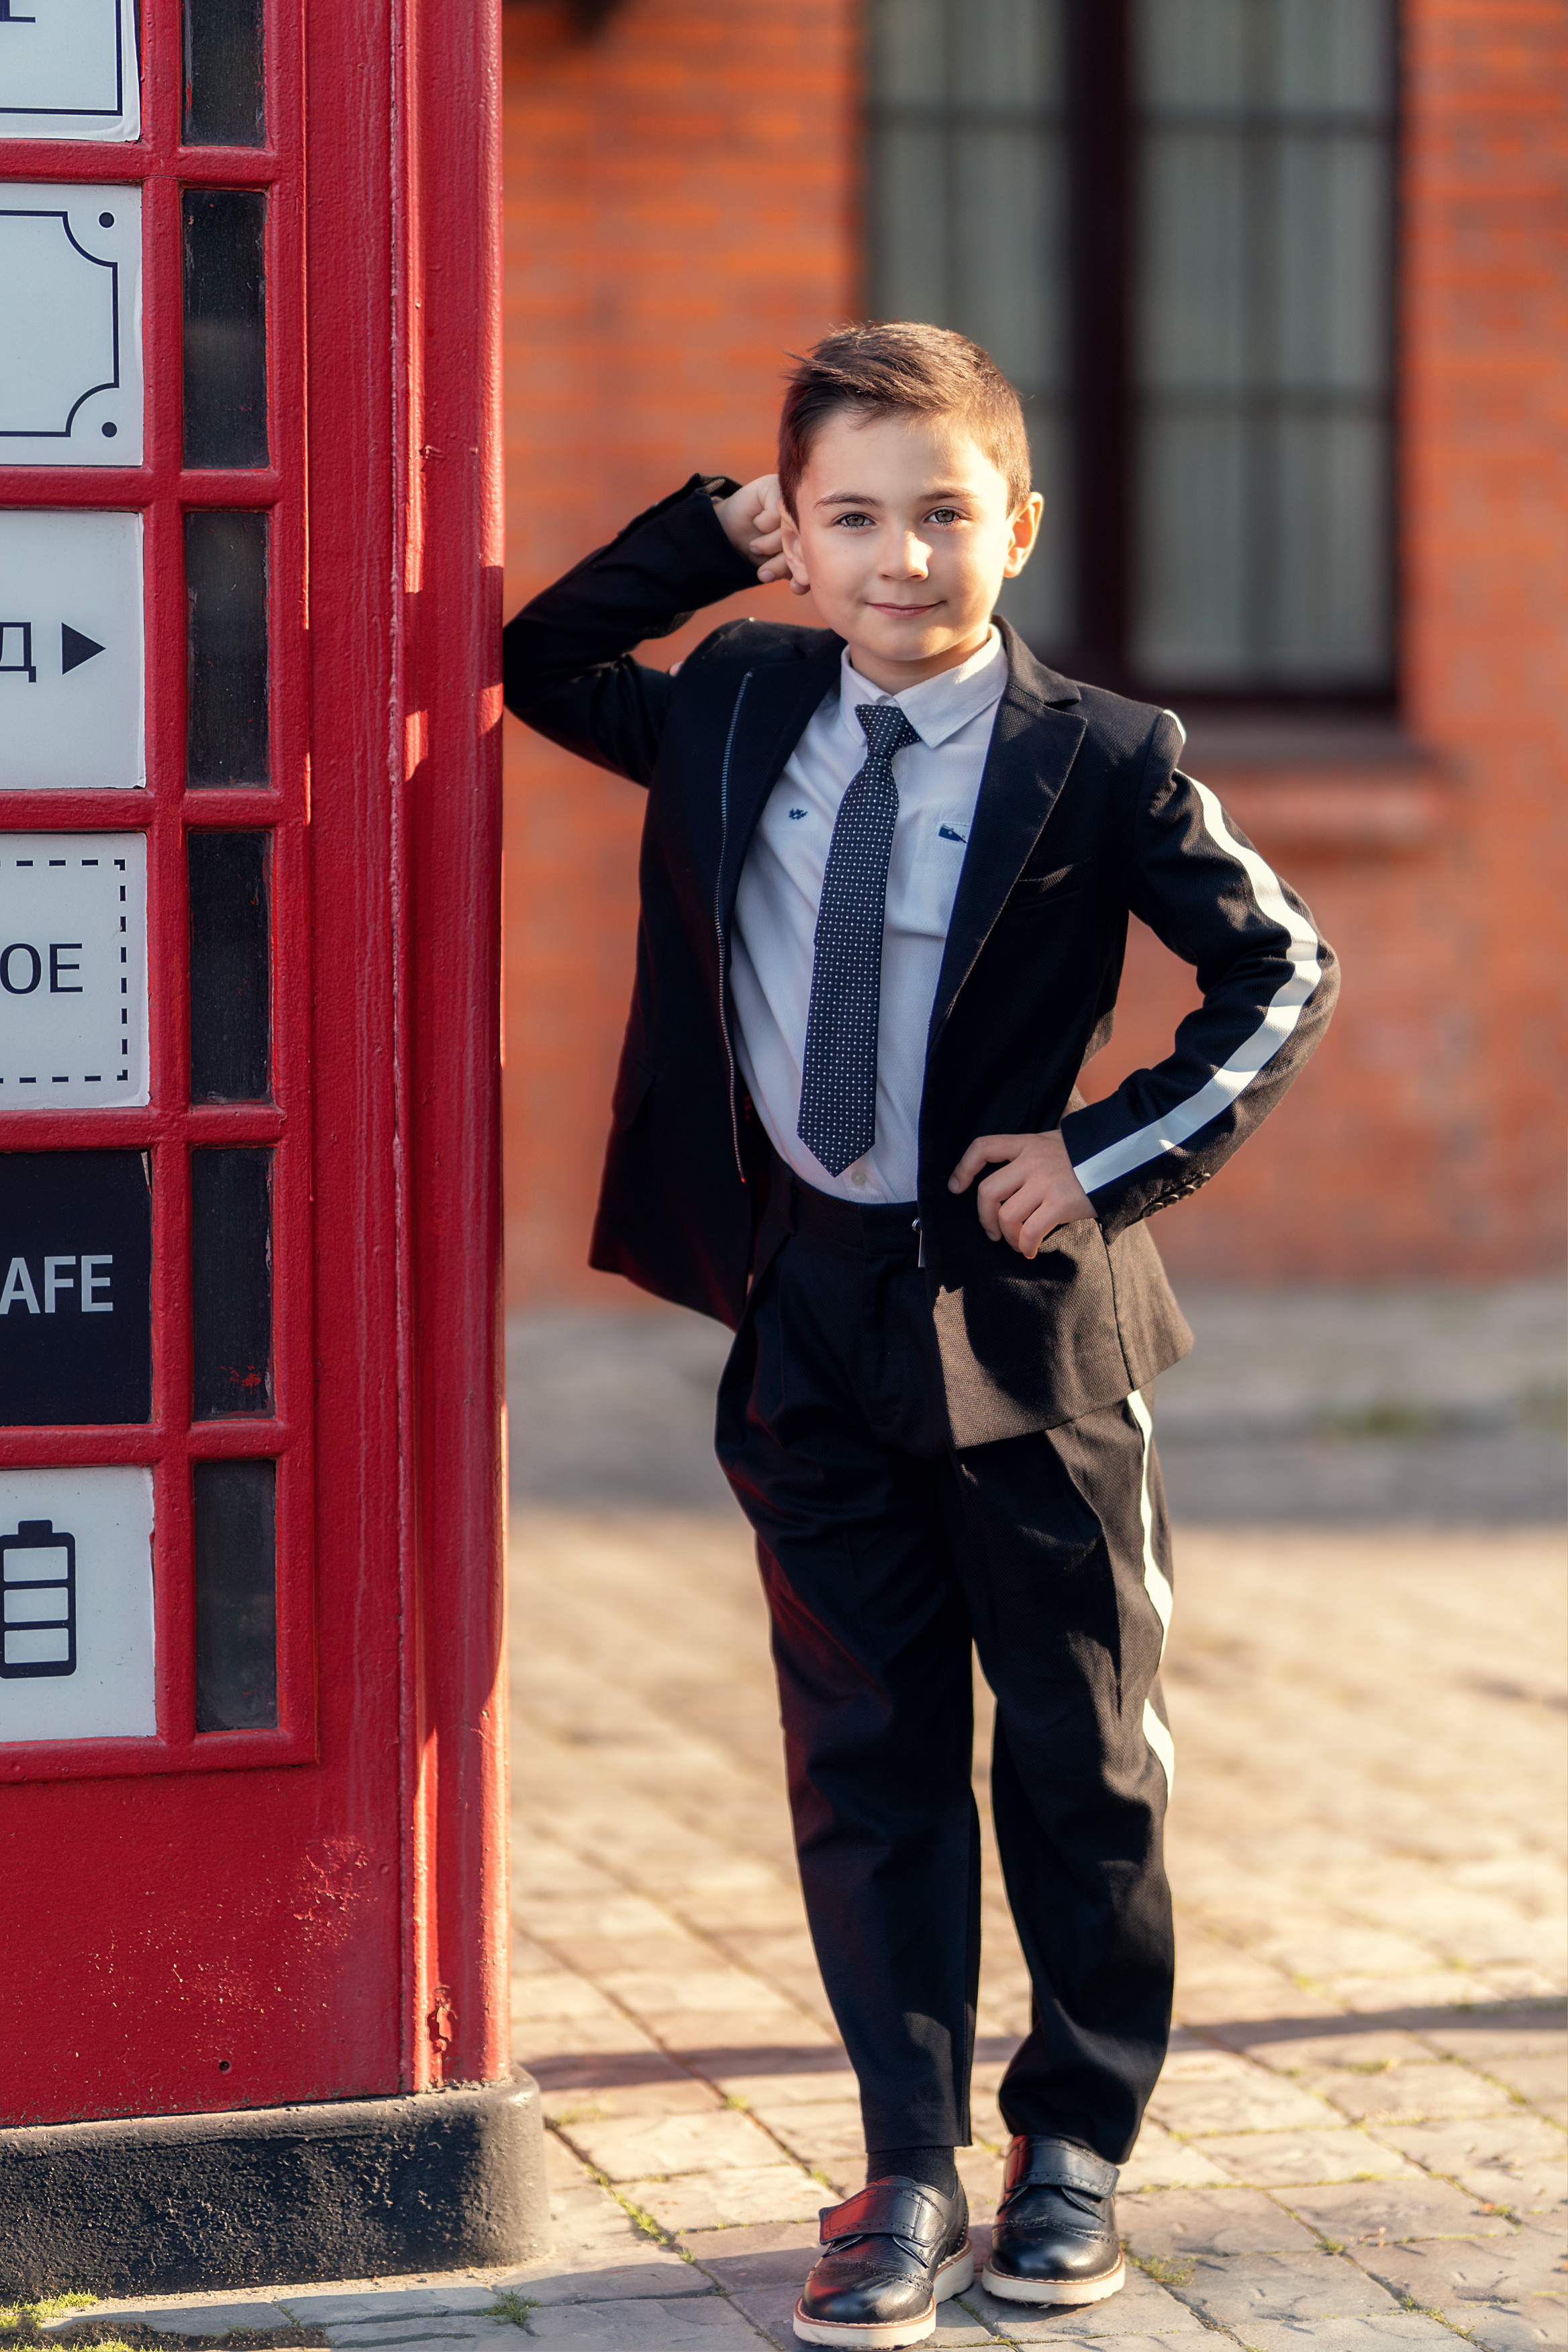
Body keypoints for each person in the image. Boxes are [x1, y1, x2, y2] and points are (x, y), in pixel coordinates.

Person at [503, 322, 1338, 2348]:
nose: (900, 559)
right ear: (799, 535)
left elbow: (1282, 972)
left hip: (1023, 1327)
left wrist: (1107, 1157)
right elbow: (530, 662)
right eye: (851, 517)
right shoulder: (732, 703)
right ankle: (905, 2164)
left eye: (943, 515)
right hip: (809, 1310)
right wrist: (711, 536)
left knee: (1079, 1754)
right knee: (862, 1753)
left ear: (1017, 528)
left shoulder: (1105, 754)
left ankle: (1072, 2151)